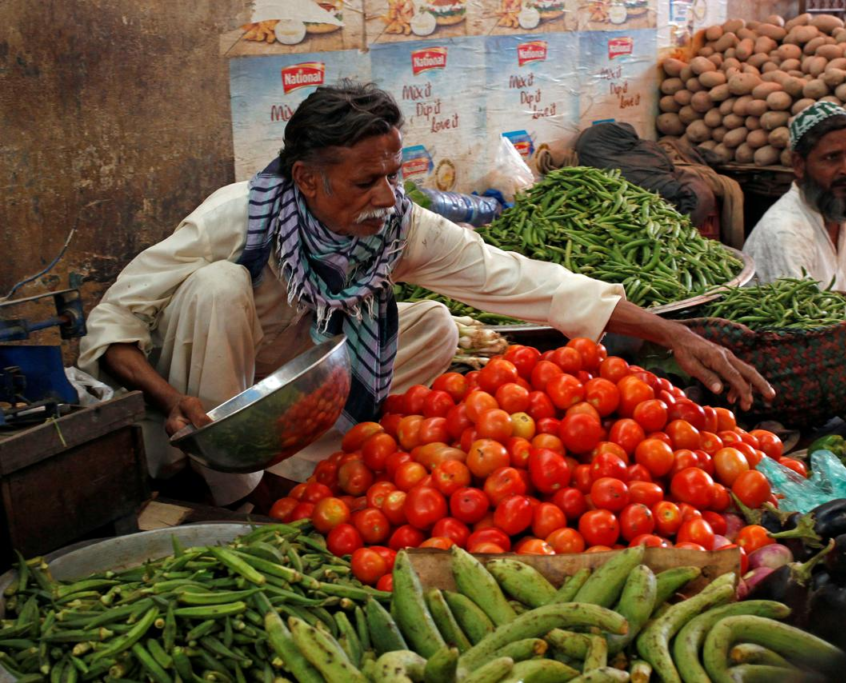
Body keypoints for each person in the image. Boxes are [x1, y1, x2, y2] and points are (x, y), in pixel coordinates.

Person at [78, 81, 774, 506]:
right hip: (207, 392)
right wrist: (174, 403)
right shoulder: (237, 217)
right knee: (216, 289)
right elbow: (112, 324)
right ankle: (236, 491)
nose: (387, 198)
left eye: (392, 175)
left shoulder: (395, 225)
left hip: (294, 377)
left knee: (436, 325)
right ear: (307, 180)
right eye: (364, 182)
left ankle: (303, 463)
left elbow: (523, 281)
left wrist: (673, 332)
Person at [742, 101, 846, 300]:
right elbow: (802, 324)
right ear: (799, 164)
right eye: (832, 157)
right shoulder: (785, 231)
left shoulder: (841, 214)